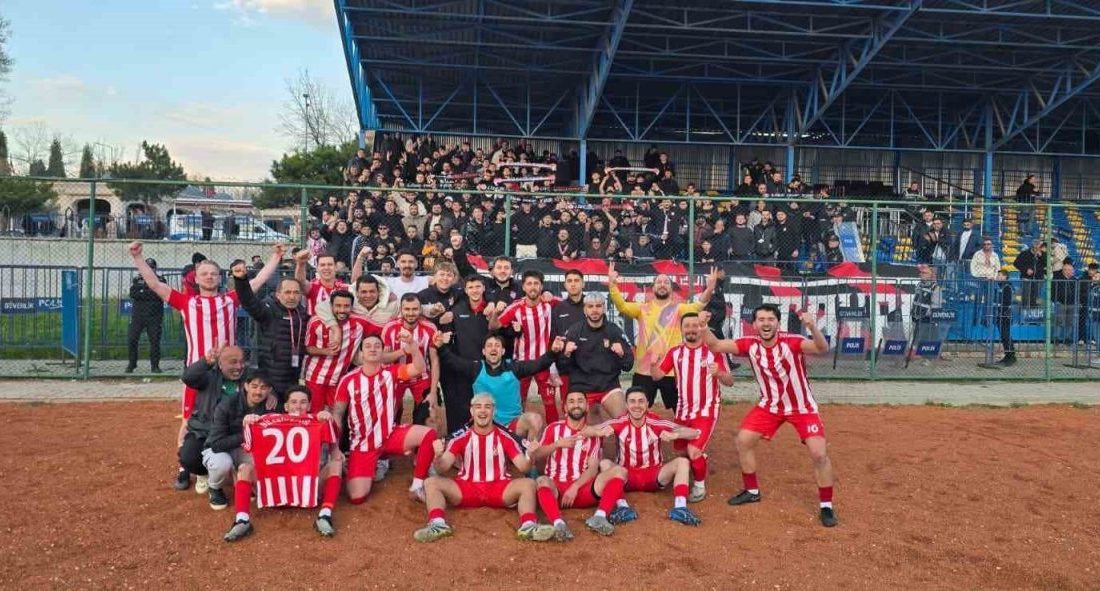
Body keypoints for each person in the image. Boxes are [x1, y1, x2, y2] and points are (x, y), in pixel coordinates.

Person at [128, 241, 283, 490]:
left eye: (213, 274)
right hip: (199, 374)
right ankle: (185, 467)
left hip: (230, 374)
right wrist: (138, 258)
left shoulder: (231, 299)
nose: (209, 277)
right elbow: (155, 284)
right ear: (196, 278)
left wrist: (275, 257)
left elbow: (256, 283)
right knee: (188, 420)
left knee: (232, 417)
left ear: (220, 278)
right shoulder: (185, 301)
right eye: (204, 274)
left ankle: (229, 465)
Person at [704, 304, 839, 528]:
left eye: (770, 319)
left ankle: (826, 506)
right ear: (754, 324)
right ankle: (751, 490)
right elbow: (715, 344)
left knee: (819, 454)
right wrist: (702, 325)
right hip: (770, 406)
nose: (765, 323)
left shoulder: (792, 341)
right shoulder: (750, 344)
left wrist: (812, 326)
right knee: (743, 441)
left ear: (778, 323)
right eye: (761, 319)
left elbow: (821, 347)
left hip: (801, 407)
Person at [412, 394, 558, 543]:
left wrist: (530, 457)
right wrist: (437, 456)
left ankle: (528, 525)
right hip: (466, 488)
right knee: (431, 482)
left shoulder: (505, 437)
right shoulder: (461, 437)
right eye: (478, 407)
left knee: (529, 484)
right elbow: (443, 467)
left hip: (499, 488)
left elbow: (522, 466)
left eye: (487, 407)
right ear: (471, 411)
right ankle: (438, 524)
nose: (482, 411)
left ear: (493, 411)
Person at [222, 385, 345, 541]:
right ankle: (242, 519)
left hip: (307, 489)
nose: (298, 406)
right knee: (245, 469)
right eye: (293, 402)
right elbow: (249, 446)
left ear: (309, 405)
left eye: (303, 402)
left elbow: (335, 446)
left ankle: (325, 516)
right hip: (274, 489)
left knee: (335, 465)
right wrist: (249, 420)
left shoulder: (318, 421)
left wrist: (328, 419)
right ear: (286, 406)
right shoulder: (269, 420)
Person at [332, 333, 439, 504]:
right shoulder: (348, 380)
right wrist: (335, 446)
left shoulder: (392, 373)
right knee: (357, 497)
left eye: (377, 346)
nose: (372, 349)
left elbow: (419, 369)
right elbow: (337, 412)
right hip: (363, 444)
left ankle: (417, 485)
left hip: (390, 435)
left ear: (383, 352)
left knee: (429, 434)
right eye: (367, 346)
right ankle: (358, 465)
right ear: (360, 354)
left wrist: (413, 345)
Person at [587, 387, 705, 526]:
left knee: (682, 462)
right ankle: (622, 507)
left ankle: (680, 507)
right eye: (632, 401)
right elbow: (587, 430)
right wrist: (598, 432)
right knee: (605, 463)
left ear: (648, 404)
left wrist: (676, 435)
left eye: (641, 401)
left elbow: (694, 433)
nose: (636, 405)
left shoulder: (656, 422)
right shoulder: (619, 422)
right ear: (626, 405)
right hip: (626, 476)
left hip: (653, 475)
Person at [607, 261, 717, 410]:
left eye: (666, 282)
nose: (662, 284)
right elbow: (621, 305)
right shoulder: (641, 309)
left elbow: (699, 305)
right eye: (659, 282)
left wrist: (710, 288)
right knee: (638, 410)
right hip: (644, 371)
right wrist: (612, 285)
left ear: (671, 289)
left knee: (680, 410)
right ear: (653, 288)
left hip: (672, 370)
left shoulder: (679, 309)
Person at [650, 312, 734, 503]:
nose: (691, 329)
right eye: (687, 325)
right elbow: (657, 376)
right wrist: (653, 363)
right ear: (681, 329)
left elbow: (730, 382)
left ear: (701, 328)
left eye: (695, 325)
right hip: (683, 410)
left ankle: (699, 485)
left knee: (693, 451)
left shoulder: (714, 351)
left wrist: (719, 373)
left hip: (706, 410)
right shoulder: (675, 352)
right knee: (681, 451)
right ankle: (693, 465)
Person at [530, 391, 629, 539]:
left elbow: (593, 468)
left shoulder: (592, 434)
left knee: (620, 471)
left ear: (587, 407)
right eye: (571, 401)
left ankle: (600, 517)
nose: (576, 404)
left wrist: (575, 486)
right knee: (541, 481)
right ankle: (558, 524)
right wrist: (557, 444)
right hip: (556, 490)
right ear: (565, 408)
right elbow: (536, 456)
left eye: (580, 401)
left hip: (582, 490)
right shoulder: (553, 428)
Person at [436, 332, 564, 441]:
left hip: (512, 426)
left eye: (497, 346)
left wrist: (553, 352)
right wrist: (441, 347)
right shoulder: (475, 368)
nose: (493, 349)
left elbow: (538, 364)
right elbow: (453, 362)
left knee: (535, 419)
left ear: (502, 351)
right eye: (489, 346)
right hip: (485, 426)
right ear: (484, 351)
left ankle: (529, 460)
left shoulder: (514, 367)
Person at [203, 368, 279, 517]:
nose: (258, 392)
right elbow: (216, 444)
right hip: (220, 449)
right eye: (254, 386)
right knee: (222, 464)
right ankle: (214, 487)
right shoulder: (226, 405)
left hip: (247, 449)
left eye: (264, 388)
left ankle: (244, 479)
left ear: (269, 390)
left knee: (267, 461)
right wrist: (247, 432)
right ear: (246, 386)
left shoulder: (270, 406)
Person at [177, 346, 247, 505]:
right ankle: (207, 478)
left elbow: (264, 385)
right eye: (233, 362)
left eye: (242, 362)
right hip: (207, 432)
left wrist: (271, 394)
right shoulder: (208, 377)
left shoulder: (249, 378)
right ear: (220, 364)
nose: (239, 366)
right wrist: (205, 362)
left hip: (237, 434)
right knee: (189, 458)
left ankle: (244, 478)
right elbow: (188, 377)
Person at [231, 262, 306, 400]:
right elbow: (249, 301)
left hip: (292, 375)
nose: (292, 296)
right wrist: (241, 280)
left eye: (296, 293)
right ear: (278, 294)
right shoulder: (268, 310)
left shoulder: (302, 313)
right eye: (287, 292)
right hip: (269, 378)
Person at [557, 294, 633, 421]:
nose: (594, 310)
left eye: (598, 306)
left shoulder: (614, 331)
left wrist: (622, 355)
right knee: (591, 431)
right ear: (585, 309)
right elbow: (562, 367)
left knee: (624, 422)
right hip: (582, 387)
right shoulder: (574, 331)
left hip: (608, 386)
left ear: (604, 309)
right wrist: (566, 354)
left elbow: (628, 365)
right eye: (590, 306)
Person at [436, 274, 496, 434]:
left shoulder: (491, 310)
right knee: (461, 407)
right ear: (466, 290)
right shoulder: (456, 310)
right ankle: (457, 439)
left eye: (478, 287)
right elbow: (445, 332)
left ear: (484, 288)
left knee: (485, 405)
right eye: (471, 287)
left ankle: (488, 439)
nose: (475, 290)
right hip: (463, 367)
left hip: (486, 368)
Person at [497, 270, 560, 422]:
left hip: (544, 362)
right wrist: (504, 322)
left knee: (550, 403)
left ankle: (554, 438)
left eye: (536, 283)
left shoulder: (549, 302)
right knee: (519, 402)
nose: (533, 287)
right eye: (529, 283)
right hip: (521, 363)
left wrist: (551, 294)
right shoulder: (515, 307)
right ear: (523, 287)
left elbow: (571, 302)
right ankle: (517, 437)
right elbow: (495, 325)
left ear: (541, 287)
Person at [302, 290, 371, 414]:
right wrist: (325, 351)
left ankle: (335, 434)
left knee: (336, 415)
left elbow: (382, 324)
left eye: (346, 306)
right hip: (315, 378)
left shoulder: (359, 323)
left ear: (352, 307)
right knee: (315, 414)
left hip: (339, 379)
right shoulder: (316, 321)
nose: (342, 310)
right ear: (331, 306)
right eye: (338, 306)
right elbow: (307, 348)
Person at [381, 293, 441, 427]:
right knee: (391, 413)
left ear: (420, 309)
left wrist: (433, 392)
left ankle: (422, 443)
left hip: (421, 377)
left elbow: (435, 361)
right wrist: (403, 351)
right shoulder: (390, 328)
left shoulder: (430, 328)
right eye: (407, 309)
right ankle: (393, 442)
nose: (411, 313)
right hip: (396, 375)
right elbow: (384, 359)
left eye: (414, 309)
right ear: (401, 310)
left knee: (429, 411)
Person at [125, 257, 164, 374]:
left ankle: (155, 366)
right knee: (132, 339)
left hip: (154, 317)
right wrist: (150, 292)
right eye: (147, 268)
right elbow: (133, 294)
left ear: (155, 269)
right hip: (138, 316)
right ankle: (132, 364)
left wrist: (143, 292)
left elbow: (160, 294)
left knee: (155, 341)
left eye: (152, 268)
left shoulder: (161, 280)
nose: (150, 270)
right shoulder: (137, 280)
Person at [294, 251, 347, 316]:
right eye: (322, 265)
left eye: (330, 264)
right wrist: (301, 264)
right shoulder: (312, 286)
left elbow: (357, 282)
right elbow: (300, 281)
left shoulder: (344, 288)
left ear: (336, 267)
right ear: (317, 268)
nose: (326, 268)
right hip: (315, 324)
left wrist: (360, 258)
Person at [993, 270, 1016, 366]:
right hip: (1001, 314)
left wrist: (999, 305)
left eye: (1000, 275)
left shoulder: (1007, 286)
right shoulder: (1001, 286)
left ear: (1005, 276)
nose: (997, 277)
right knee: (1004, 335)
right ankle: (1008, 355)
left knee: (1005, 335)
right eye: (997, 275)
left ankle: (1010, 356)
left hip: (1005, 314)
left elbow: (1007, 301)